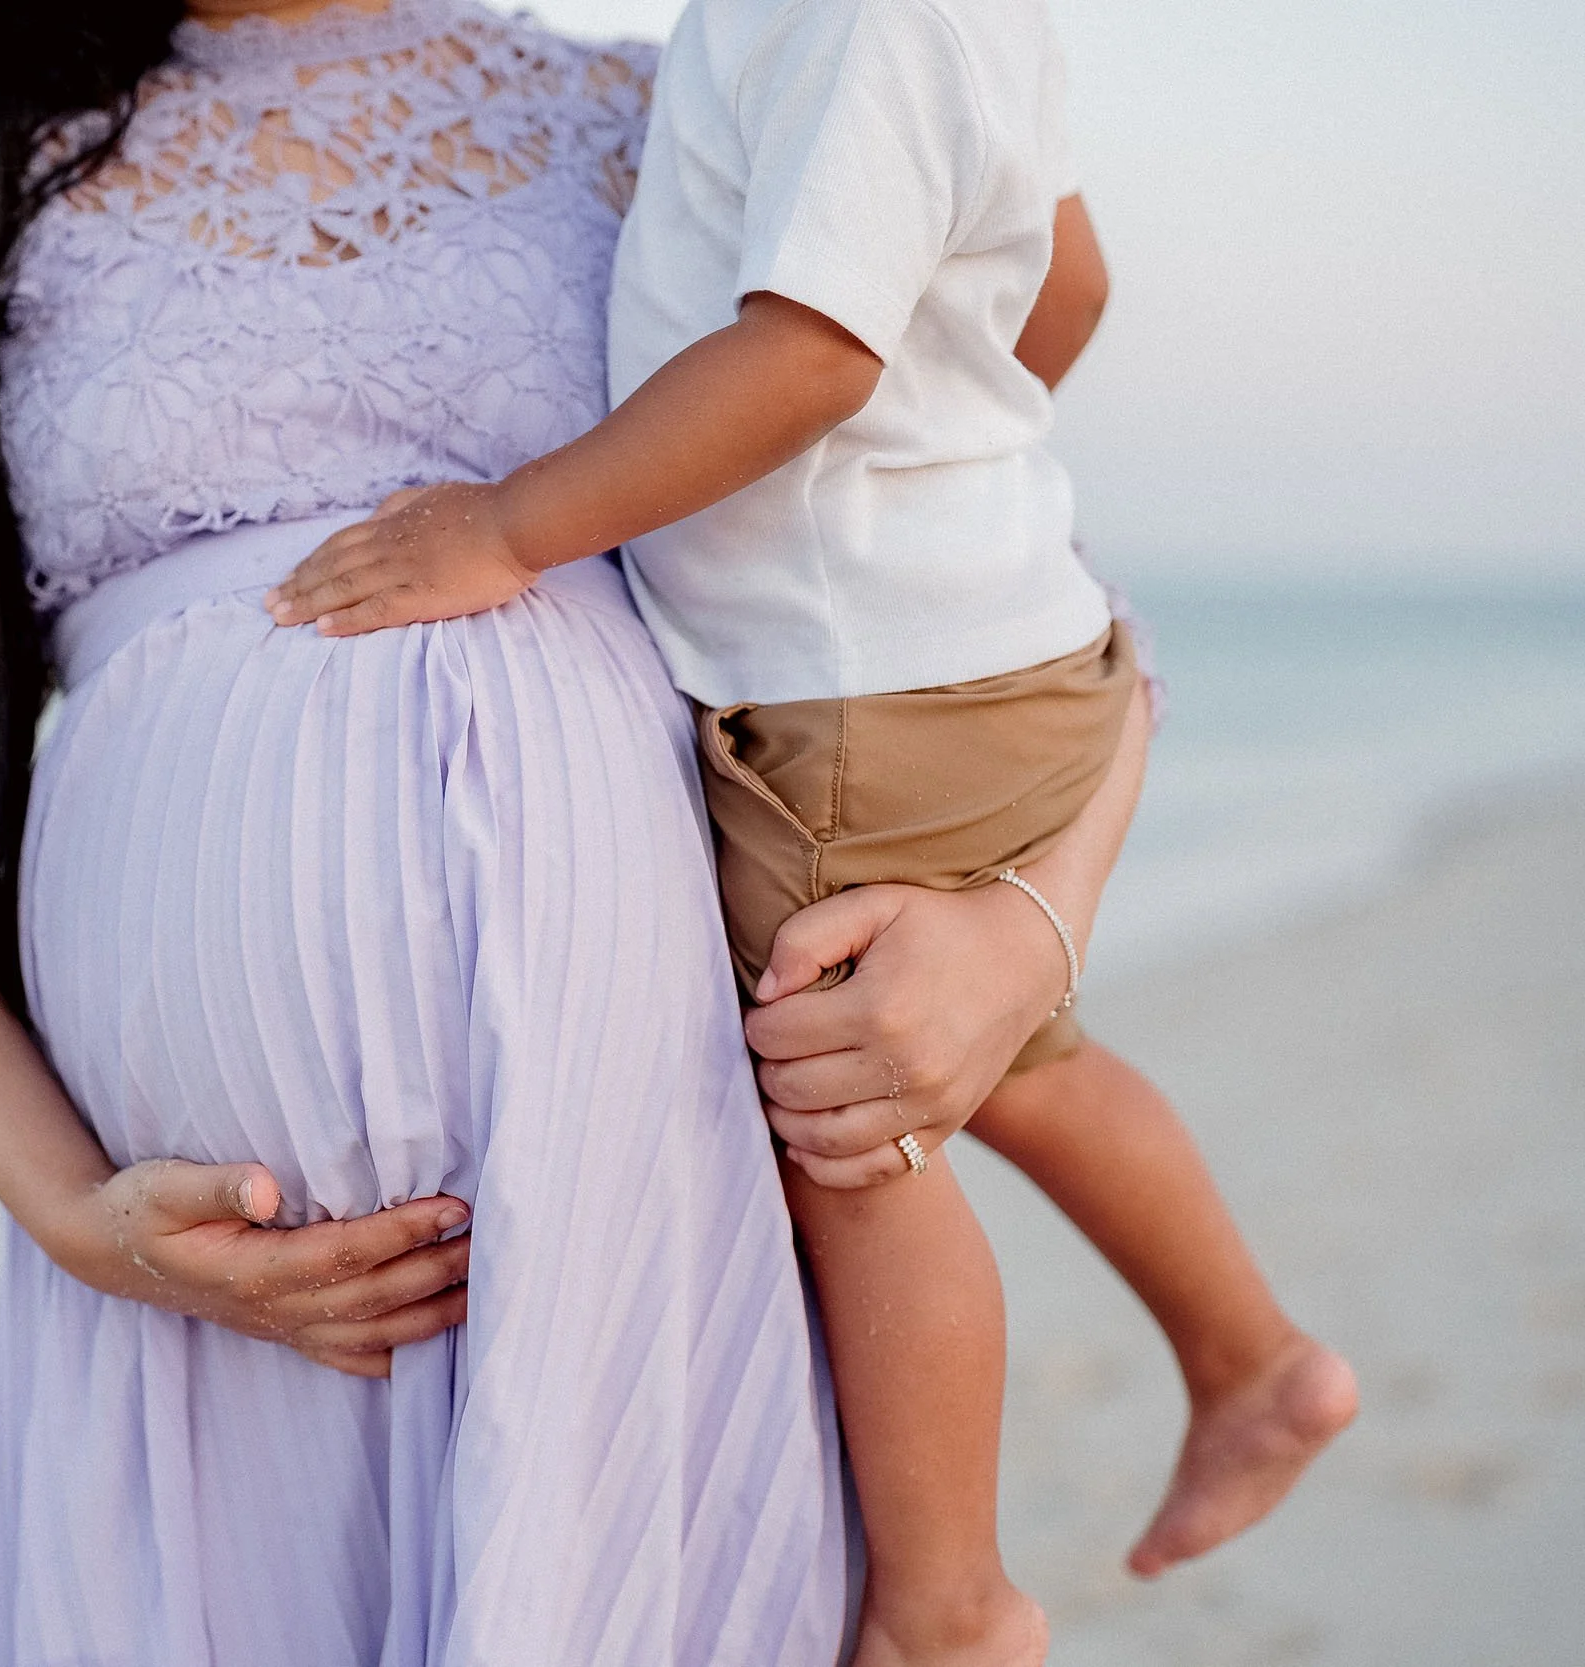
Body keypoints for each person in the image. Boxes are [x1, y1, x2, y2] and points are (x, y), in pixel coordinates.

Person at [0, 2, 879, 1660]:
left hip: (639, 1170)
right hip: (201, 1308)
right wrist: (79, 1220)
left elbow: (969, 598)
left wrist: (1017, 925)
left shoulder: (644, 117)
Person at [264, 0, 1358, 1660]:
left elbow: (815, 353)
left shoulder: (857, 19)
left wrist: (510, 527)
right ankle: (1256, 1360)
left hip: (865, 694)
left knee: (850, 1136)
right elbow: (1067, 287)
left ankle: (946, 1605)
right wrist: (939, 471)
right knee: (1026, 1063)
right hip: (962, 645)